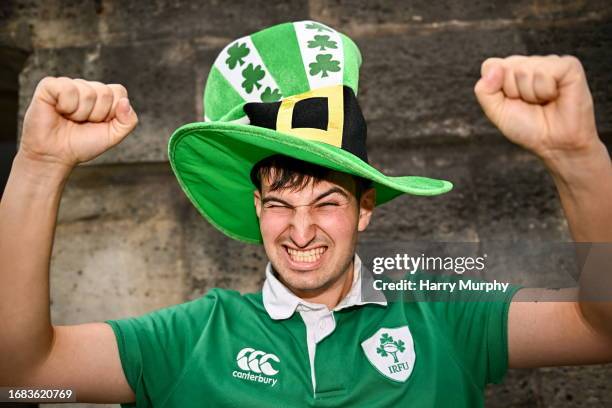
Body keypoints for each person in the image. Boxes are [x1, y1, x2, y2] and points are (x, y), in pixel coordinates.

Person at [0, 20, 610, 407]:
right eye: (279, 204)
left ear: (365, 209)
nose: (299, 231)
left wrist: (577, 158)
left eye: (327, 202)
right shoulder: (193, 337)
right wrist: (39, 166)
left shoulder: (444, 315)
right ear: (257, 211)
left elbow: (600, 328)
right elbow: (22, 379)